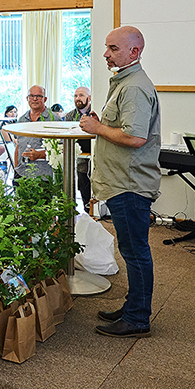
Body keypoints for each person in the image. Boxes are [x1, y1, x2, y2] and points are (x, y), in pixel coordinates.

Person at [79, 25, 161, 339]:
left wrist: (97, 129)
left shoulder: (135, 87)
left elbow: (135, 137)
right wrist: (101, 123)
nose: (106, 54)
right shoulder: (125, 82)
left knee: (135, 251)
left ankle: (138, 317)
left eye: (113, 48)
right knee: (131, 249)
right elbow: (123, 127)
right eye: (106, 47)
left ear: (134, 52)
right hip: (122, 181)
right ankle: (132, 308)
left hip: (129, 184)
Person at [13, 85, 58, 180]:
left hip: (44, 176)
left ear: (45, 99)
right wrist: (16, 168)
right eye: (31, 96)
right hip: (22, 173)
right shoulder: (22, 119)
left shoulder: (54, 120)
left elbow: (61, 149)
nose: (34, 99)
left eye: (39, 96)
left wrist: (39, 154)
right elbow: (18, 146)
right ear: (27, 98)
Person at [61, 87, 94, 208]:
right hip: (79, 159)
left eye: (81, 95)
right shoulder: (70, 116)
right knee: (83, 188)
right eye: (75, 96)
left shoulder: (94, 113)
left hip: (95, 157)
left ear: (89, 98)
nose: (77, 99)